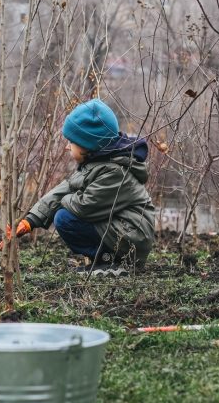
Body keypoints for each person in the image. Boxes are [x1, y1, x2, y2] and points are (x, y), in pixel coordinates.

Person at [11, 98, 155, 276]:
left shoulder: (116, 173)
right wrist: (30, 220)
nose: (67, 147)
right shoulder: (99, 162)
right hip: (122, 231)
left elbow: (84, 207)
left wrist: (64, 200)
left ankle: (113, 261)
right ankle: (107, 259)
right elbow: (67, 187)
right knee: (64, 214)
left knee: (65, 218)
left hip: (132, 238)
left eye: (71, 142)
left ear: (88, 145)